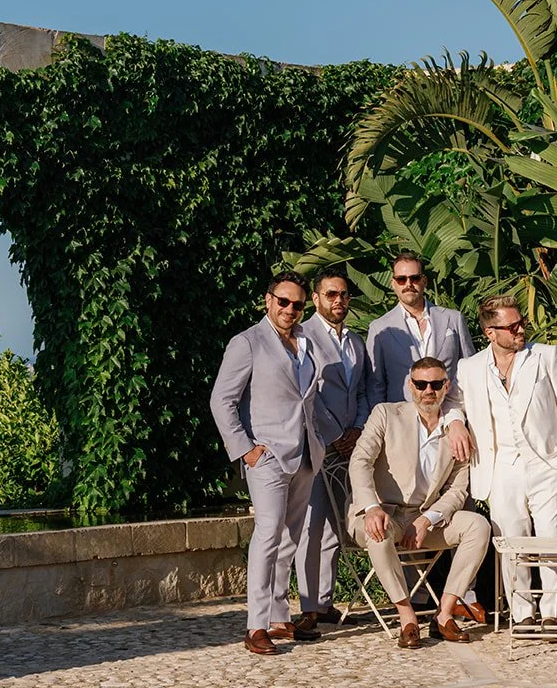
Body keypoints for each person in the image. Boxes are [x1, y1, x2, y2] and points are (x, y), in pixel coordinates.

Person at [209, 270, 326, 655]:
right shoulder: (247, 342)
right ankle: (255, 625)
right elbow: (221, 400)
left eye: (297, 304)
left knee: (290, 539)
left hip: (306, 452)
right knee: (267, 534)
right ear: (268, 300)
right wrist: (245, 449)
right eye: (284, 301)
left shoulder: (308, 343)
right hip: (268, 455)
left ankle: (280, 617)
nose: (290, 309)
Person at [453, 296, 557, 624]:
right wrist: (455, 421)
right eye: (512, 326)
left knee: (552, 540)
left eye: (521, 322)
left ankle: (554, 614)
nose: (521, 329)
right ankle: (523, 613)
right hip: (500, 466)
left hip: (550, 462)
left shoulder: (545, 356)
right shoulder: (469, 368)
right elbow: (453, 401)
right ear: (490, 332)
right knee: (512, 541)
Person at [347, 358, 492, 648]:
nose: (428, 390)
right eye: (421, 384)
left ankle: (445, 614)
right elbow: (360, 460)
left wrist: (428, 519)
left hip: (425, 519)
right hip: (382, 513)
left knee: (478, 525)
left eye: (436, 384)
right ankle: (407, 617)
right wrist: (371, 507)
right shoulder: (386, 414)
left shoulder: (458, 433)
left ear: (446, 387)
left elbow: (457, 489)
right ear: (410, 386)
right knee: (378, 534)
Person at [283, 270, 369, 633]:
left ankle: (324, 600)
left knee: (336, 524)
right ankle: (307, 607)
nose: (339, 301)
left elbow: (363, 389)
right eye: (331, 294)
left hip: (352, 443)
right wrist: (335, 435)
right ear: (316, 298)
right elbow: (308, 396)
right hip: (318, 442)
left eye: (345, 294)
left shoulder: (356, 341)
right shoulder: (305, 338)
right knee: (312, 525)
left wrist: (359, 429)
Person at [364, 251, 476, 460]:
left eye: (414, 278)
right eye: (402, 279)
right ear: (393, 283)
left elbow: (470, 372)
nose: (409, 284)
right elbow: (376, 384)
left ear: (424, 281)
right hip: (402, 425)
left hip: (450, 421)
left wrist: (463, 419)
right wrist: (381, 429)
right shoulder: (379, 329)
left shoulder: (453, 319)